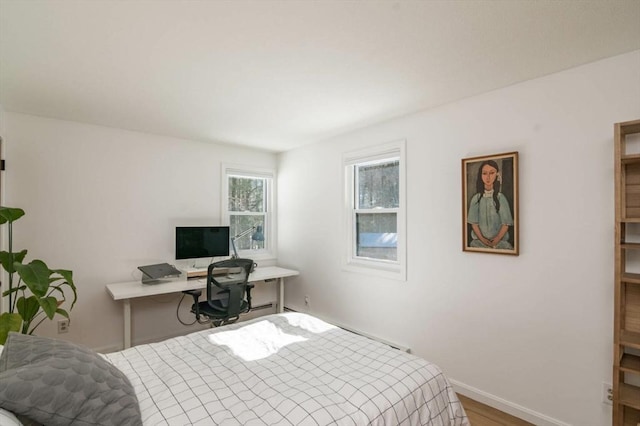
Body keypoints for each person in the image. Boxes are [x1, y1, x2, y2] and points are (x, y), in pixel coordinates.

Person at [467, 160, 514, 249]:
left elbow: (505, 224)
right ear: (480, 176)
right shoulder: (476, 199)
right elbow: (474, 224)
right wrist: (483, 240)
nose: (488, 177)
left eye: (491, 173)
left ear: (497, 175)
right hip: (478, 243)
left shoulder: (501, 198)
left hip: (500, 243)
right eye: (484, 173)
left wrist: (496, 240)